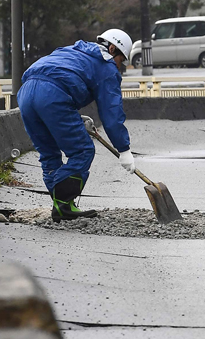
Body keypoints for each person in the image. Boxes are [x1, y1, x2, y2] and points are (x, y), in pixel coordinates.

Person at [17, 29, 136, 222]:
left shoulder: (72, 50)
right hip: (53, 96)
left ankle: (62, 204)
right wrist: (124, 149)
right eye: (121, 60)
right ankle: (63, 204)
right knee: (82, 151)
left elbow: (54, 78)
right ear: (112, 48)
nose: (119, 66)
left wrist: (72, 114)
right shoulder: (106, 67)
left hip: (26, 93)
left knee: (49, 154)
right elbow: (111, 112)